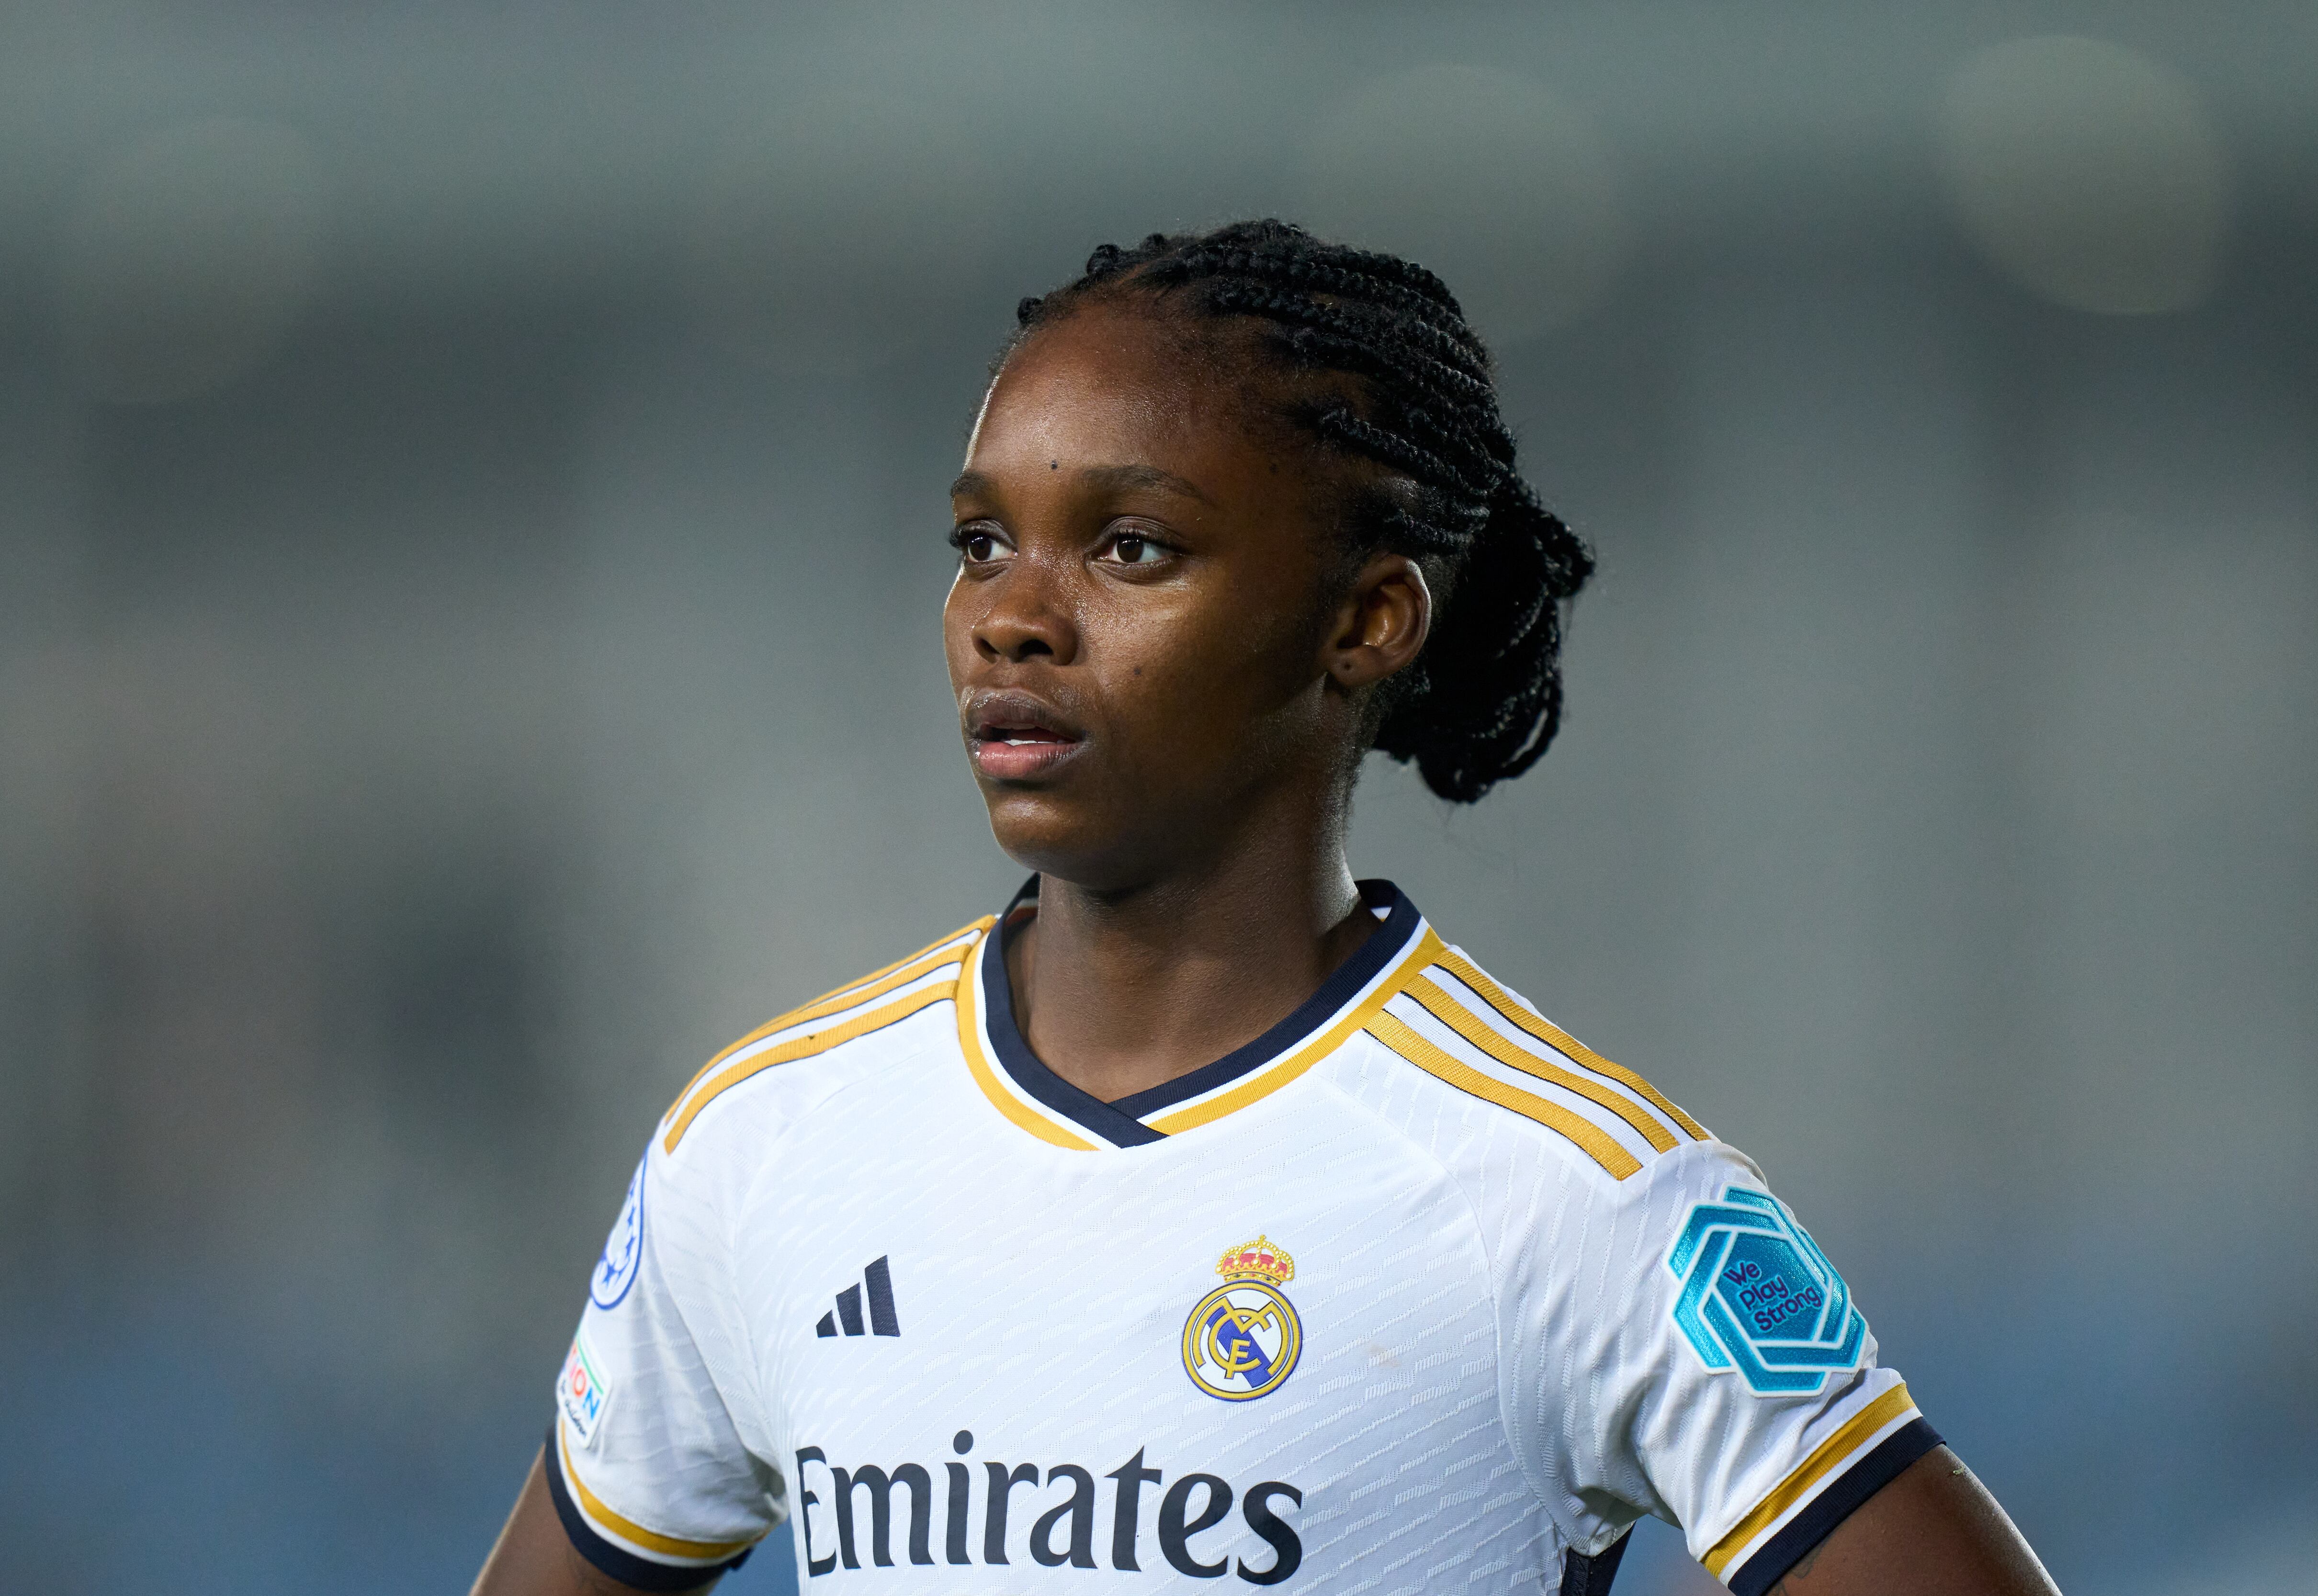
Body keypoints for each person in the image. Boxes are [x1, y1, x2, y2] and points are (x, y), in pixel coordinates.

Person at [472, 221, 2058, 1596]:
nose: (1012, 618)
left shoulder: (1571, 1196)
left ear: (1366, 621)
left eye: (1131, 546)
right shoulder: (761, 1146)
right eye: (981, 544)